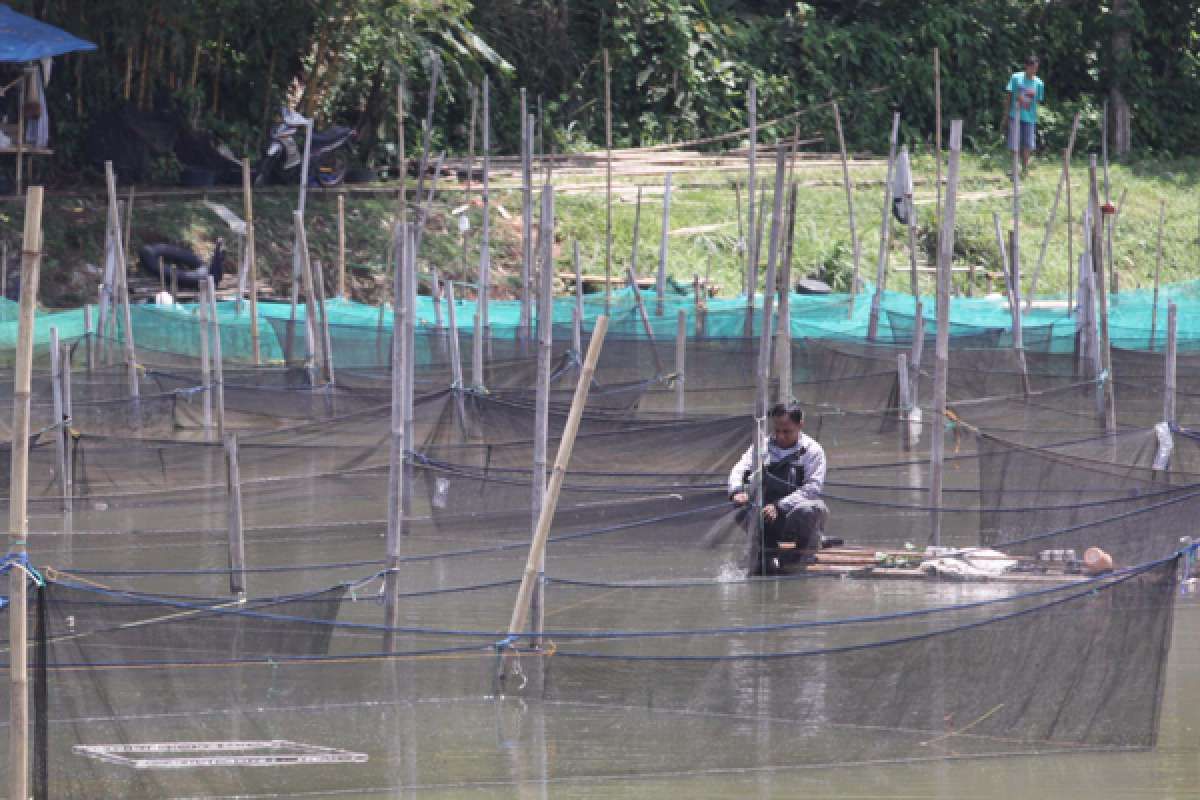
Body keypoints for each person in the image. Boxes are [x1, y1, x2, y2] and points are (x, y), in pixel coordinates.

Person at [727, 402, 828, 575]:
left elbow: (812, 488)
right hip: (767, 516)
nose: (780, 436)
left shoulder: (813, 451)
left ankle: (805, 549)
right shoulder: (762, 447)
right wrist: (737, 491)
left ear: (800, 425)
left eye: (787, 431)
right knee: (741, 511)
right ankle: (767, 547)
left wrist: (780, 506)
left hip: (793, 515)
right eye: (777, 430)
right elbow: (740, 468)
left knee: (811, 509)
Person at [1005, 55, 1045, 175]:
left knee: (1028, 144)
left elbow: (1037, 101)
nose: (1034, 71)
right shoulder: (1016, 78)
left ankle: (1025, 168)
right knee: (1014, 142)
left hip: (1030, 118)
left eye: (1036, 68)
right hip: (1015, 115)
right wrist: (1006, 113)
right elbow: (1009, 95)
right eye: (1032, 68)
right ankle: (1014, 167)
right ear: (1026, 67)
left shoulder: (1039, 83)